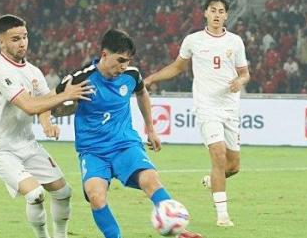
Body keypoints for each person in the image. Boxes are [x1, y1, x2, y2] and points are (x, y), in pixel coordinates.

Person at [55, 29, 202, 238]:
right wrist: (66, 105)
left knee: (151, 180)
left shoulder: (131, 75)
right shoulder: (81, 78)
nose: (124, 66)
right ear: (105, 55)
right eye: (120, 60)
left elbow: (142, 92)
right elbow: (54, 106)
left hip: (124, 144)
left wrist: (150, 129)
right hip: (93, 151)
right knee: (96, 197)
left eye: (128, 60)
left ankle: (179, 230)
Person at [0, 14, 93, 238]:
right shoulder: (0, 70)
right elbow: (30, 106)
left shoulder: (33, 71)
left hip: (27, 144)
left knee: (63, 192)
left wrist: (72, 103)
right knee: (36, 194)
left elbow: (47, 105)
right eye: (14, 39)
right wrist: (62, 96)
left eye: (25, 37)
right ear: (1, 41)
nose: (22, 43)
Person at [144, 0, 250, 227]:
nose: (217, 15)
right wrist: (152, 78)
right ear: (205, 13)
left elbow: (245, 72)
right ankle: (222, 216)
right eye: (213, 10)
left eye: (221, 11)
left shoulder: (235, 42)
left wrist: (239, 81)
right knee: (219, 158)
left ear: (226, 15)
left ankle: (212, 180)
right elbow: (177, 67)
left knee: (233, 166)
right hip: (207, 107)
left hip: (230, 108)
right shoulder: (193, 40)